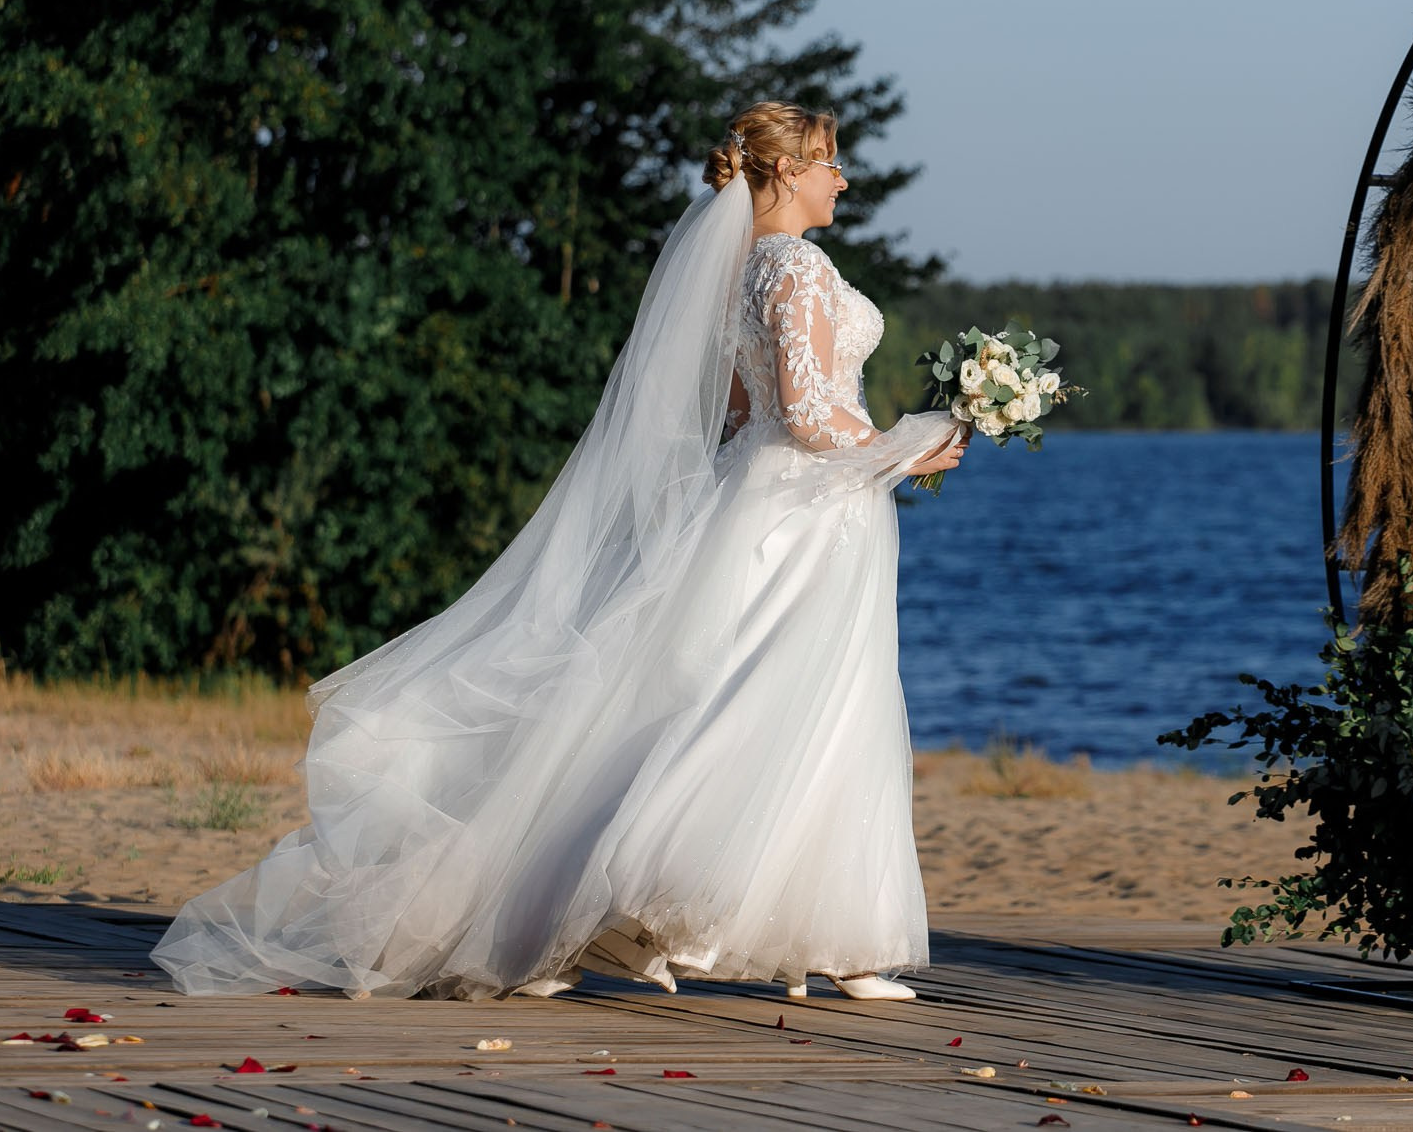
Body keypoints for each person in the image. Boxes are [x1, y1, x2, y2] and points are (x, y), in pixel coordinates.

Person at [152, 101, 967, 1002]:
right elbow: (810, 419)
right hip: (808, 519)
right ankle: (770, 932)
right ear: (783, 174)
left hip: (758, 502)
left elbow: (743, 417)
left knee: (708, 708)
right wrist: (910, 442)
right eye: (827, 164)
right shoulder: (799, 267)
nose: (841, 180)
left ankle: (603, 921)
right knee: (797, 715)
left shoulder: (736, 270)